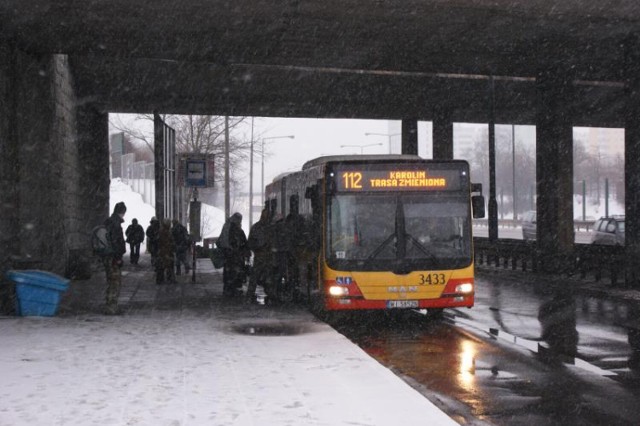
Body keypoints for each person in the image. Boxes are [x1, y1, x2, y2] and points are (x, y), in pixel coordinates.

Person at [217, 212, 249, 297]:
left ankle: (227, 289)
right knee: (236, 273)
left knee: (228, 273)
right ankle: (235, 290)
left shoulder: (226, 226)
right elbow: (242, 242)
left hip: (228, 255)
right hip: (235, 256)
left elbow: (219, 241)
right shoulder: (236, 229)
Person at [103, 201, 127, 315]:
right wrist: (118, 257)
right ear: (122, 212)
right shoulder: (116, 224)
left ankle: (109, 303)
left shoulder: (107, 222)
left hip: (107, 256)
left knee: (110, 280)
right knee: (115, 282)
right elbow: (117, 242)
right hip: (113, 257)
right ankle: (112, 306)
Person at [246, 208, 272, 304]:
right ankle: (270, 294)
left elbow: (250, 242)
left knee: (256, 276)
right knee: (264, 276)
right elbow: (251, 242)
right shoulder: (270, 227)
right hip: (263, 255)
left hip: (262, 255)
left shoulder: (256, 227)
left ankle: (251, 295)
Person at [156, 218, 176, 284]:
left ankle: (165, 279)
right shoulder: (164, 231)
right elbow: (164, 242)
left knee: (166, 265)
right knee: (165, 265)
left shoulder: (165, 230)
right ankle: (166, 279)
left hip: (166, 250)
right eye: (169, 223)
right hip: (165, 251)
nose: (170, 224)